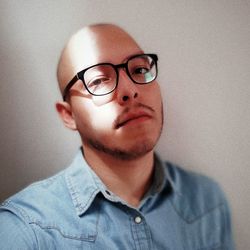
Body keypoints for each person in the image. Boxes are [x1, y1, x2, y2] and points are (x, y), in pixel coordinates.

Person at [0, 23, 234, 249]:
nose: (130, 90)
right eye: (99, 80)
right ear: (69, 115)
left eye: (140, 70)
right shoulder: (25, 231)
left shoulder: (208, 200)